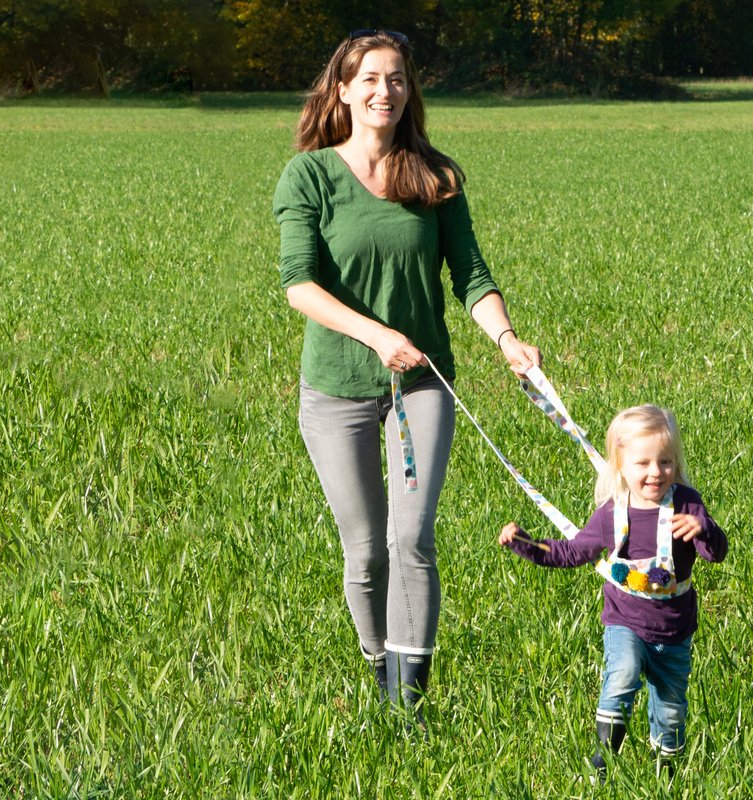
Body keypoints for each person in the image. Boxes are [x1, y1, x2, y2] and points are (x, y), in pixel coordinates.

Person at [273, 29, 541, 726]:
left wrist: (507, 339)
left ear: (408, 90)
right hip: (336, 388)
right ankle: (378, 667)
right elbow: (299, 285)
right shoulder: (309, 176)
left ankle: (407, 708)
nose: (383, 91)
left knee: (411, 539)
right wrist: (376, 335)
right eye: (369, 79)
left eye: (395, 79)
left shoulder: (434, 176)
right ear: (343, 90)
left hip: (422, 385)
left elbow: (471, 275)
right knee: (365, 554)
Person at [499, 405, 727, 781]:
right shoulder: (611, 514)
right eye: (643, 463)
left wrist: (704, 529)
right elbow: (572, 553)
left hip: (675, 628)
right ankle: (604, 760)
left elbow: (715, 554)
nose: (656, 472)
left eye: (665, 462)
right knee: (623, 673)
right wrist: (525, 544)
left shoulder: (687, 504)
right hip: (626, 620)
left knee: (671, 711)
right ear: (620, 465)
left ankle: (666, 773)